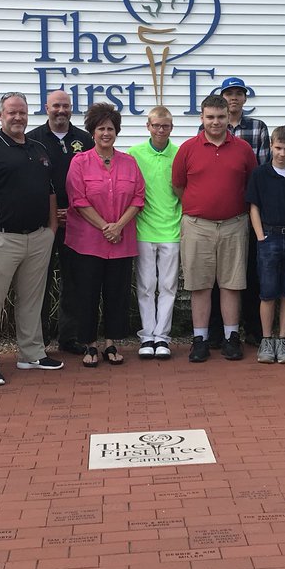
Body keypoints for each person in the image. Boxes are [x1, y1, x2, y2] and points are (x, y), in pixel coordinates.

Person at [0, 92, 64, 385]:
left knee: (32, 300)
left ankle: (31, 353)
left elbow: (50, 191)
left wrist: (51, 229)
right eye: (11, 112)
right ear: (0, 115)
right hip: (1, 239)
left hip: (38, 237)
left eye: (22, 112)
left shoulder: (39, 148)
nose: (18, 117)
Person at [172, 93, 258, 363]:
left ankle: (232, 337)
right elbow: (178, 185)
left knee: (232, 284)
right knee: (200, 285)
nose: (216, 122)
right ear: (202, 118)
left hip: (235, 224)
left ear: (228, 118)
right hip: (198, 226)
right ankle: (200, 339)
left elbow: (251, 184)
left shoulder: (243, 148)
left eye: (220, 117)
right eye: (210, 117)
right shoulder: (188, 148)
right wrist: (201, 206)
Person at [65, 103, 146, 367]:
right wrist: (105, 227)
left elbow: (138, 197)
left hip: (121, 241)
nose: (106, 133)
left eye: (110, 128)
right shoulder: (80, 162)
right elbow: (78, 199)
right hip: (87, 242)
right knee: (87, 293)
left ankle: (112, 343)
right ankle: (89, 345)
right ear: (92, 131)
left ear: (116, 131)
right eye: (101, 128)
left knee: (116, 293)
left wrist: (119, 226)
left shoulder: (129, 162)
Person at [26, 89, 94, 356]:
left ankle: (70, 336)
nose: (61, 110)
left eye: (65, 106)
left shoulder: (85, 139)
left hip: (78, 221)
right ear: (46, 107)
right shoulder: (32, 139)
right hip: (42, 222)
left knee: (74, 281)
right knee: (38, 282)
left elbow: (92, 179)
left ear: (71, 108)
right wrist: (50, 213)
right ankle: (37, 339)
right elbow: (29, 182)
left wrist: (75, 211)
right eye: (56, 106)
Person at [212, 76, 269, 346]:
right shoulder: (210, 127)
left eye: (239, 93)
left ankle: (252, 329)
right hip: (219, 212)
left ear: (245, 98)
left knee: (248, 273)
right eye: (229, 93)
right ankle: (216, 331)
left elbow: (262, 171)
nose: (234, 98)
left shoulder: (258, 128)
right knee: (217, 276)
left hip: (248, 212)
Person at [246, 126, 285, 365]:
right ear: (271, 146)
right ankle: (266, 339)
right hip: (269, 238)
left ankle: (282, 339)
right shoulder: (260, 174)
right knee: (268, 292)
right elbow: (254, 207)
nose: (282, 153)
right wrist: (261, 237)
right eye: (278, 147)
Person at [128, 106, 182, 360]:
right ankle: (147, 336)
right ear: (148, 126)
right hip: (143, 229)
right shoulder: (134, 154)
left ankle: (163, 337)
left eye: (166, 126)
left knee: (169, 286)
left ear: (171, 128)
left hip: (172, 229)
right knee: (146, 286)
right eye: (156, 125)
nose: (161, 130)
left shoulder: (180, 154)